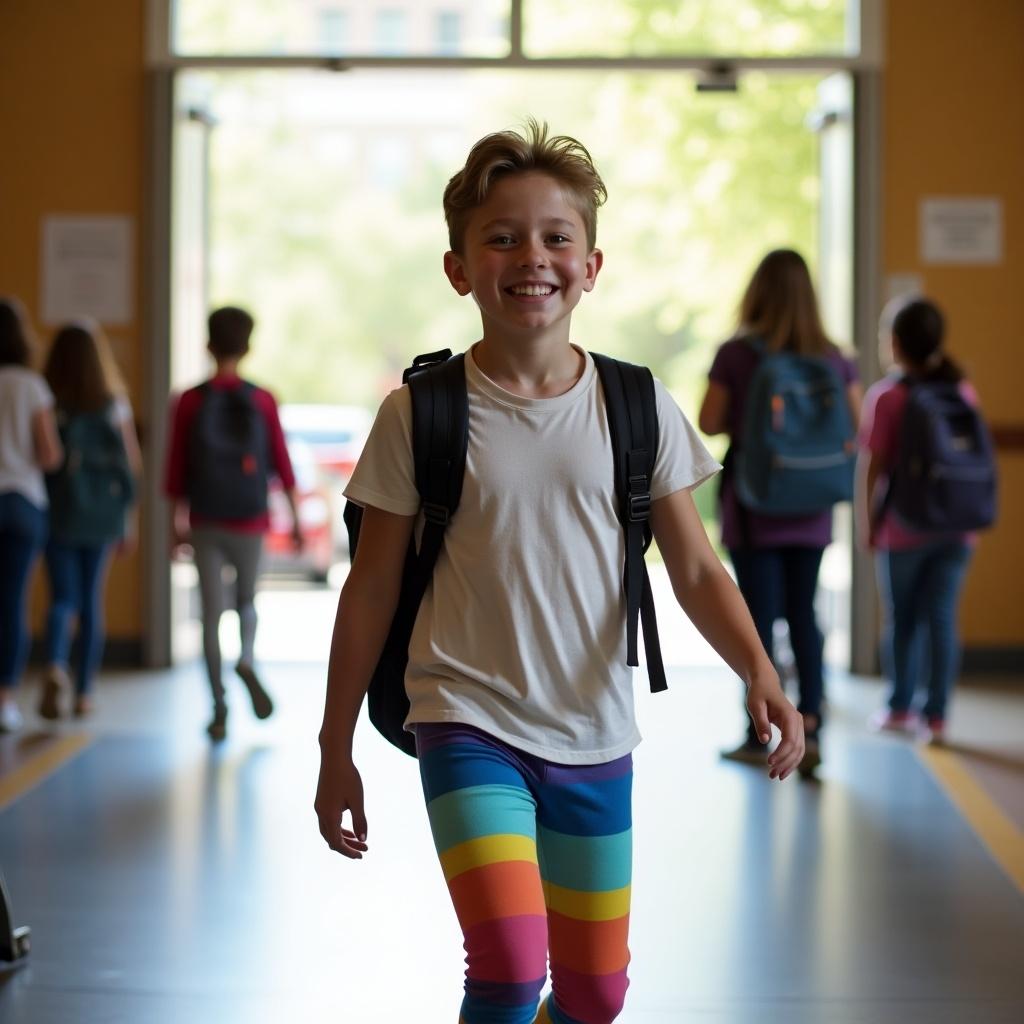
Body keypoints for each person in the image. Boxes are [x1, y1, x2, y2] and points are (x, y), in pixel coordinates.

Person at [314, 121, 804, 1024]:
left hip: (593, 728)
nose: (530, 257)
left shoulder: (636, 403)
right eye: (500, 237)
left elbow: (696, 567)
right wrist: (333, 743)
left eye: (554, 237)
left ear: (591, 262)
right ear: (460, 267)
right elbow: (371, 587)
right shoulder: (418, 413)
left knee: (593, 996)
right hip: (464, 716)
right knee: (505, 965)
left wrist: (761, 674)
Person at [698, 249, 861, 775]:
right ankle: (811, 728)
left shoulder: (738, 353)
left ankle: (760, 732)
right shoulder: (836, 358)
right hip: (812, 506)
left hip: (756, 504)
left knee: (757, 622)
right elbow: (854, 428)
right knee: (806, 616)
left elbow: (709, 420)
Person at [163, 306, 301, 741]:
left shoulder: (189, 400)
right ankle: (246, 658)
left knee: (209, 615)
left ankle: (218, 706)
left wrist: (175, 525)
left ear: (208, 344)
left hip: (206, 518)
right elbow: (281, 465)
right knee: (246, 602)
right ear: (247, 347)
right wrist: (295, 521)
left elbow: (175, 469)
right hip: (250, 518)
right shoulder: (262, 399)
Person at [856, 297, 976, 744]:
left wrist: (867, 523)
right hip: (957, 527)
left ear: (896, 342)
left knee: (902, 618)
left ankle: (899, 707)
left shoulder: (887, 395)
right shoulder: (962, 390)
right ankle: (938, 716)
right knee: (941, 617)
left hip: (903, 527)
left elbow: (872, 465)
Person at [37, 320, 143, 720]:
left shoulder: (48, 398)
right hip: (103, 514)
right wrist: (128, 523)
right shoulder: (113, 402)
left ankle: (53, 666)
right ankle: (84, 692)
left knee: (62, 598)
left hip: (58, 511)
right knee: (91, 601)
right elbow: (131, 466)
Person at [0, 297, 63, 733]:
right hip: (22, 503)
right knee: (12, 602)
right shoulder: (30, 385)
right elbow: (49, 454)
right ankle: (4, 699)